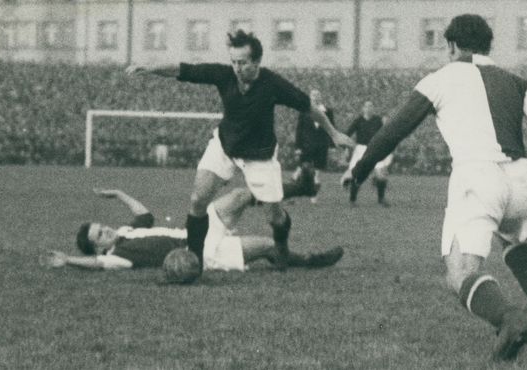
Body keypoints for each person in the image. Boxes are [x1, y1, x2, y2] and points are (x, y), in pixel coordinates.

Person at [342, 14, 527, 362]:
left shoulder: (441, 78)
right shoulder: (517, 82)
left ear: (453, 46)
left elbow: (396, 128)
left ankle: (509, 319)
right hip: (522, 181)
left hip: (478, 177)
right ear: (488, 46)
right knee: (514, 237)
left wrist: (359, 169)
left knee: (459, 273)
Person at [125, 30, 353, 273]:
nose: (236, 67)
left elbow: (308, 106)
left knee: (275, 216)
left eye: (242, 62)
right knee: (198, 199)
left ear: (256, 61)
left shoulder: (272, 84)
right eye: (233, 61)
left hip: (259, 155)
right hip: (224, 146)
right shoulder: (224, 75)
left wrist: (334, 133)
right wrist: (149, 68)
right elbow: (184, 70)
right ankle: (195, 262)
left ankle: (282, 249)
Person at [43, 188, 344, 271]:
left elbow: (144, 214)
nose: (106, 231)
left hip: (197, 229)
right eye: (100, 235)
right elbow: (97, 264)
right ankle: (308, 261)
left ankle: (284, 193)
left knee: (239, 195)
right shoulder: (118, 255)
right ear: (98, 246)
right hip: (202, 253)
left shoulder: (125, 231)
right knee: (266, 245)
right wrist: (68, 260)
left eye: (102, 227)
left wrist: (120, 194)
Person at [343, 101, 392, 206]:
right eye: (366, 106)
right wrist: (347, 149)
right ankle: (352, 200)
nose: (368, 108)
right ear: (363, 108)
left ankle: (381, 199)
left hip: (375, 149)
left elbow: (385, 133)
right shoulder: (358, 121)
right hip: (360, 149)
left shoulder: (378, 120)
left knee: (381, 175)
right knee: (357, 174)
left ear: (373, 108)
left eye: (371, 106)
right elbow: (347, 134)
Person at [292, 88, 335, 204]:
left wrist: (332, 145)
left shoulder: (328, 111)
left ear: (320, 97)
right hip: (306, 146)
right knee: (300, 170)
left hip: (321, 146)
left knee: (316, 174)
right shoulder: (304, 110)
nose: (315, 97)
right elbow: (299, 130)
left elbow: (331, 129)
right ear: (309, 97)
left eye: (317, 95)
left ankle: (313, 196)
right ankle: (290, 196)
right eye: (313, 95)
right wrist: (298, 147)